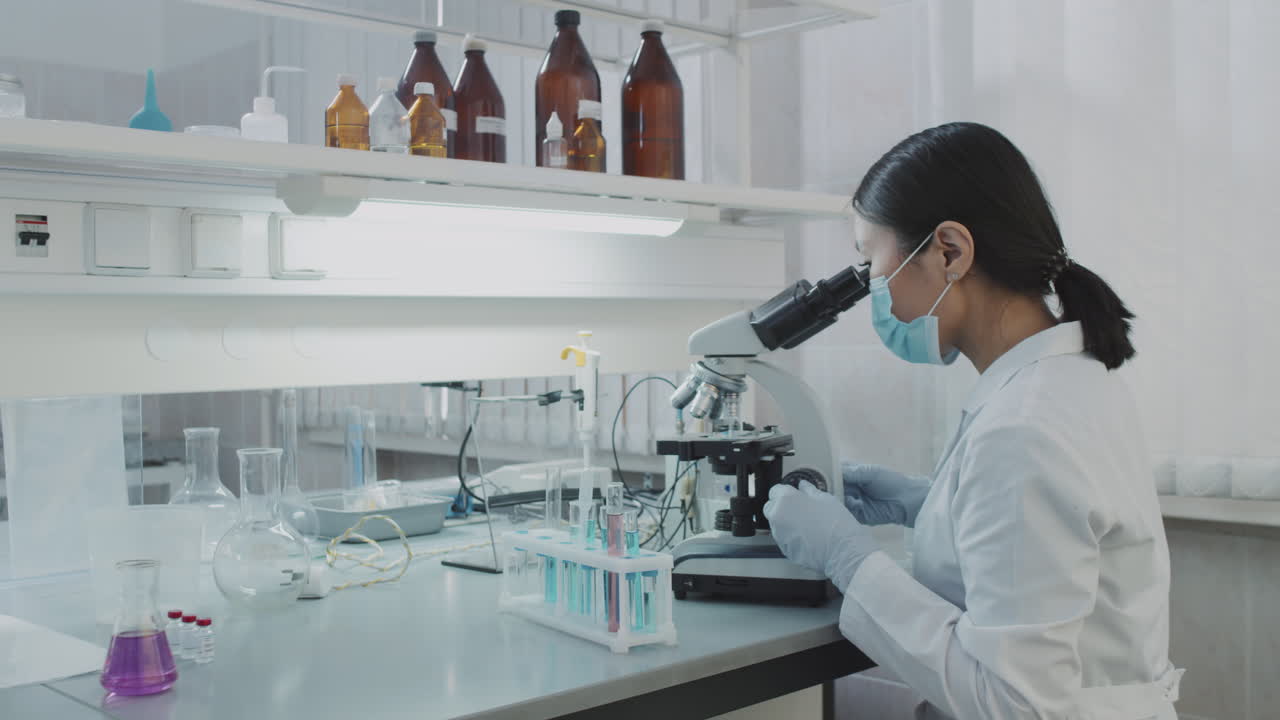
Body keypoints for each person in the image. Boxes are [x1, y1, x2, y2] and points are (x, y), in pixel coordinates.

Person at [763, 123, 1183, 720]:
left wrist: (849, 560)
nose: (872, 290)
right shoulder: (1071, 379)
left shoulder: (1024, 428)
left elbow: (1012, 701)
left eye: (870, 263)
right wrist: (928, 504)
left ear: (950, 252)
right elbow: (1046, 545)